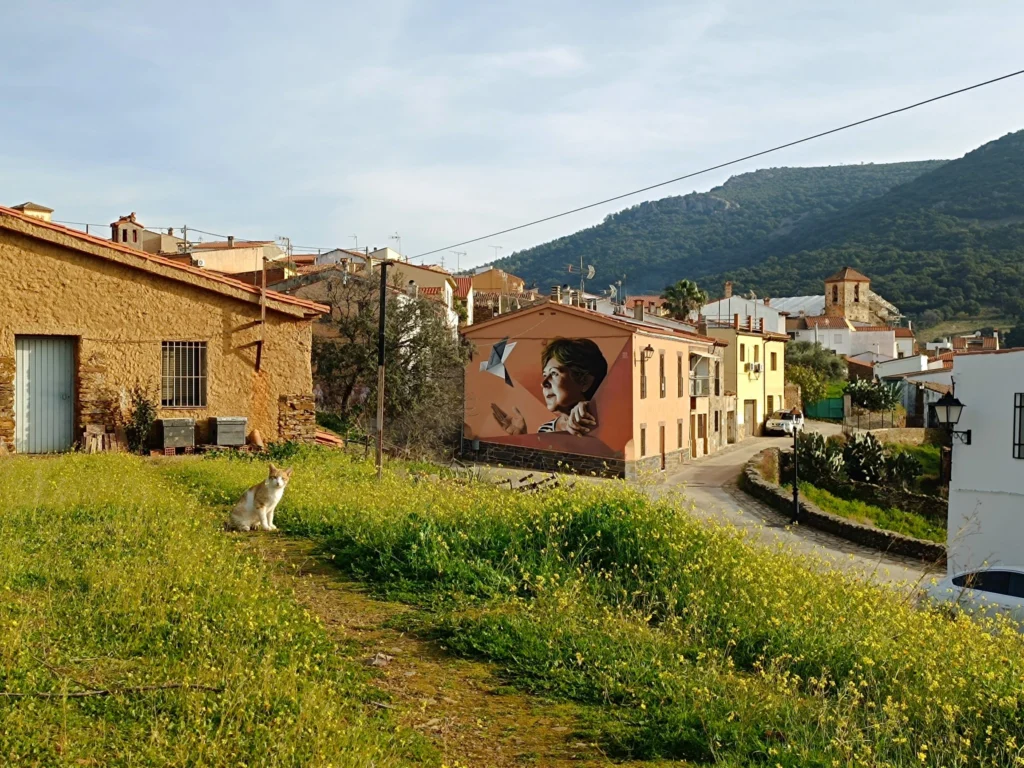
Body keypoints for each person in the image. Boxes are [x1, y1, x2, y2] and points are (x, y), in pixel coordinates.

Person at [492, 337, 608, 436]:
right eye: (545, 375)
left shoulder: (606, 421)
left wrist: (592, 408)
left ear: (585, 382)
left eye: (554, 373)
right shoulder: (545, 430)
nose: (544, 383)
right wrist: (522, 438)